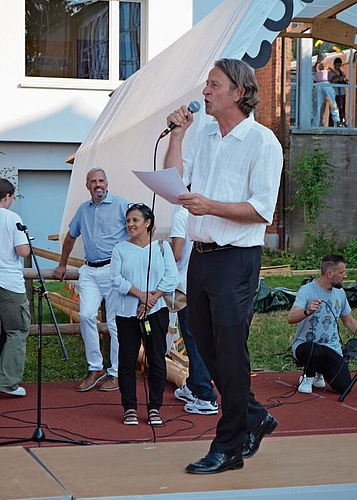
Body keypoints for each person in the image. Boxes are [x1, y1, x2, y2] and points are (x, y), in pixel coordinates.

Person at [163, 58, 282, 474]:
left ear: (240, 92)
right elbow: (176, 182)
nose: (205, 92)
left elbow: (262, 211)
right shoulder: (207, 137)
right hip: (201, 257)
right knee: (208, 351)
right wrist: (178, 135)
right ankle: (254, 416)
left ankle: (229, 446)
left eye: (214, 85)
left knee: (230, 352)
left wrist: (210, 205)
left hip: (236, 260)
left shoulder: (263, 142)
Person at [53, 167, 129, 392]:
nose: (98, 185)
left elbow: (141, 228)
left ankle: (115, 372)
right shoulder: (83, 209)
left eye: (101, 180)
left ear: (107, 183)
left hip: (114, 270)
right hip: (89, 271)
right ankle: (95, 367)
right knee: (85, 315)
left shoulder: (122, 204)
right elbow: (71, 236)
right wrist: (62, 263)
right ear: (87, 186)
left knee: (116, 323)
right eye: (93, 181)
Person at [110, 204, 179, 425]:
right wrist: (141, 296)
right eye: (128, 220)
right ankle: (129, 406)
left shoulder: (162, 247)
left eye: (135, 220)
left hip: (156, 312)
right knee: (127, 360)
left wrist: (152, 299)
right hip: (127, 313)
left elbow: (171, 277)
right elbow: (116, 279)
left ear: (148, 223)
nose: (130, 224)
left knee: (156, 358)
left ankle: (154, 407)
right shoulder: (120, 249)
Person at [170, 205, 218, 415]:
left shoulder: (181, 215)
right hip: (209, 284)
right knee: (203, 340)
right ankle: (194, 384)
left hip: (187, 286)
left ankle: (206, 395)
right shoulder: (213, 214)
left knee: (193, 340)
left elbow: (177, 254)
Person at [287, 254, 356, 395]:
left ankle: (320, 372)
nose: (345, 276)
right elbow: (291, 318)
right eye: (342, 272)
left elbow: (348, 321)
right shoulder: (307, 290)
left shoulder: (340, 293)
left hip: (331, 348)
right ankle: (307, 377)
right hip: (305, 346)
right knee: (315, 351)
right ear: (330, 274)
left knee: (344, 387)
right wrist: (307, 311)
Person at [0, 178, 31, 397]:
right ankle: (8, 383)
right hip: (8, 282)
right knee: (17, 330)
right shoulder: (12, 218)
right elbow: (22, 251)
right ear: (8, 196)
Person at [312, 52, 341, 127]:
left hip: (318, 85)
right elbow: (337, 73)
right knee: (331, 102)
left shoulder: (315, 66)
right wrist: (333, 79)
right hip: (326, 85)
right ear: (324, 58)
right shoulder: (327, 64)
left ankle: (315, 123)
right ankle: (337, 120)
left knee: (318, 105)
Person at [328, 57, 348, 127]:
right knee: (332, 109)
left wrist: (343, 81)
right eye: (337, 65)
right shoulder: (330, 73)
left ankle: (342, 123)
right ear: (334, 65)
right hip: (333, 93)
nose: (338, 67)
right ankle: (331, 125)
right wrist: (336, 79)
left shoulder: (342, 73)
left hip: (341, 93)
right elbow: (330, 80)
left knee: (342, 108)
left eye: (339, 65)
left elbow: (344, 80)